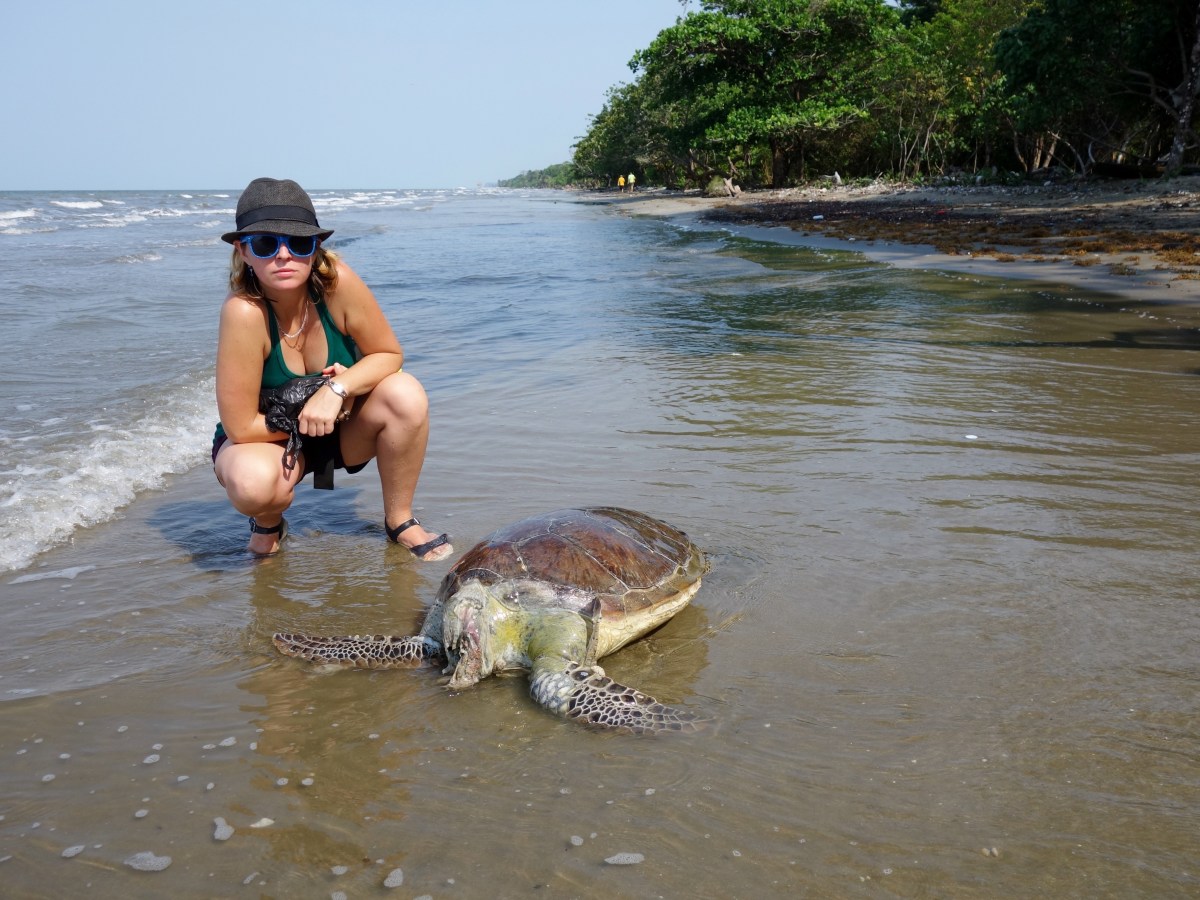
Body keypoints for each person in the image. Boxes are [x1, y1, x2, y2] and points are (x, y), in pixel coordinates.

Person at [212, 177, 452, 561]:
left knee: (405, 394)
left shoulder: (338, 284)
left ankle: (400, 520)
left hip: (341, 431)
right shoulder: (244, 312)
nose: (284, 255)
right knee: (252, 485)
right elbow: (240, 426)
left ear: (316, 248)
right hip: (265, 441)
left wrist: (338, 390)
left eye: (299, 243)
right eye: (266, 244)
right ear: (243, 251)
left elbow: (389, 354)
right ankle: (268, 522)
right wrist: (312, 403)